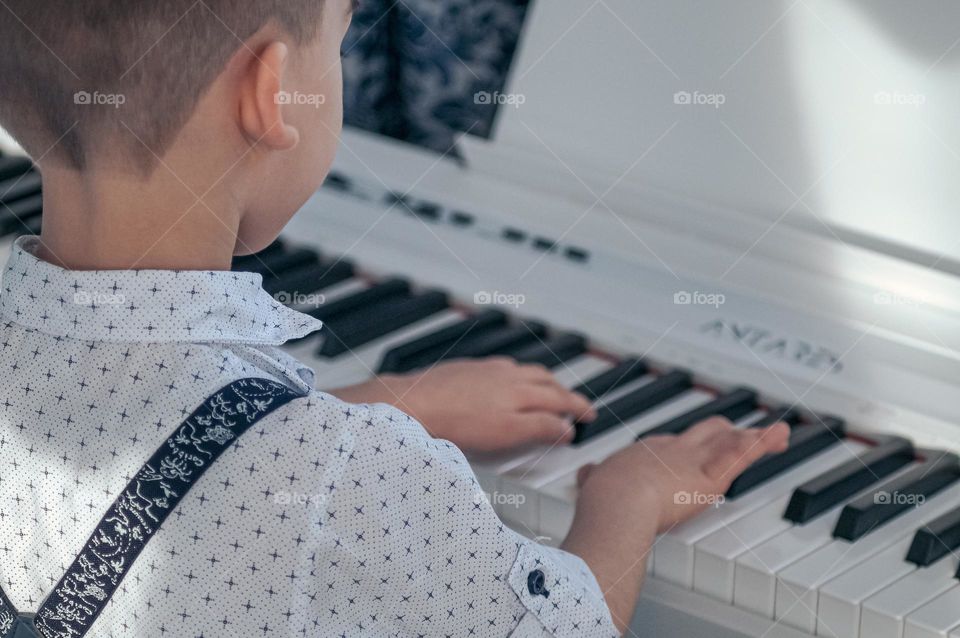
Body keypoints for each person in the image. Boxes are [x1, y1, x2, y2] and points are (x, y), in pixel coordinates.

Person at [0, 1, 790, 635]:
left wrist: (391, 404)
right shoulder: (344, 475)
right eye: (339, 44)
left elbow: (154, 464)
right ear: (269, 92)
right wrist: (628, 501)